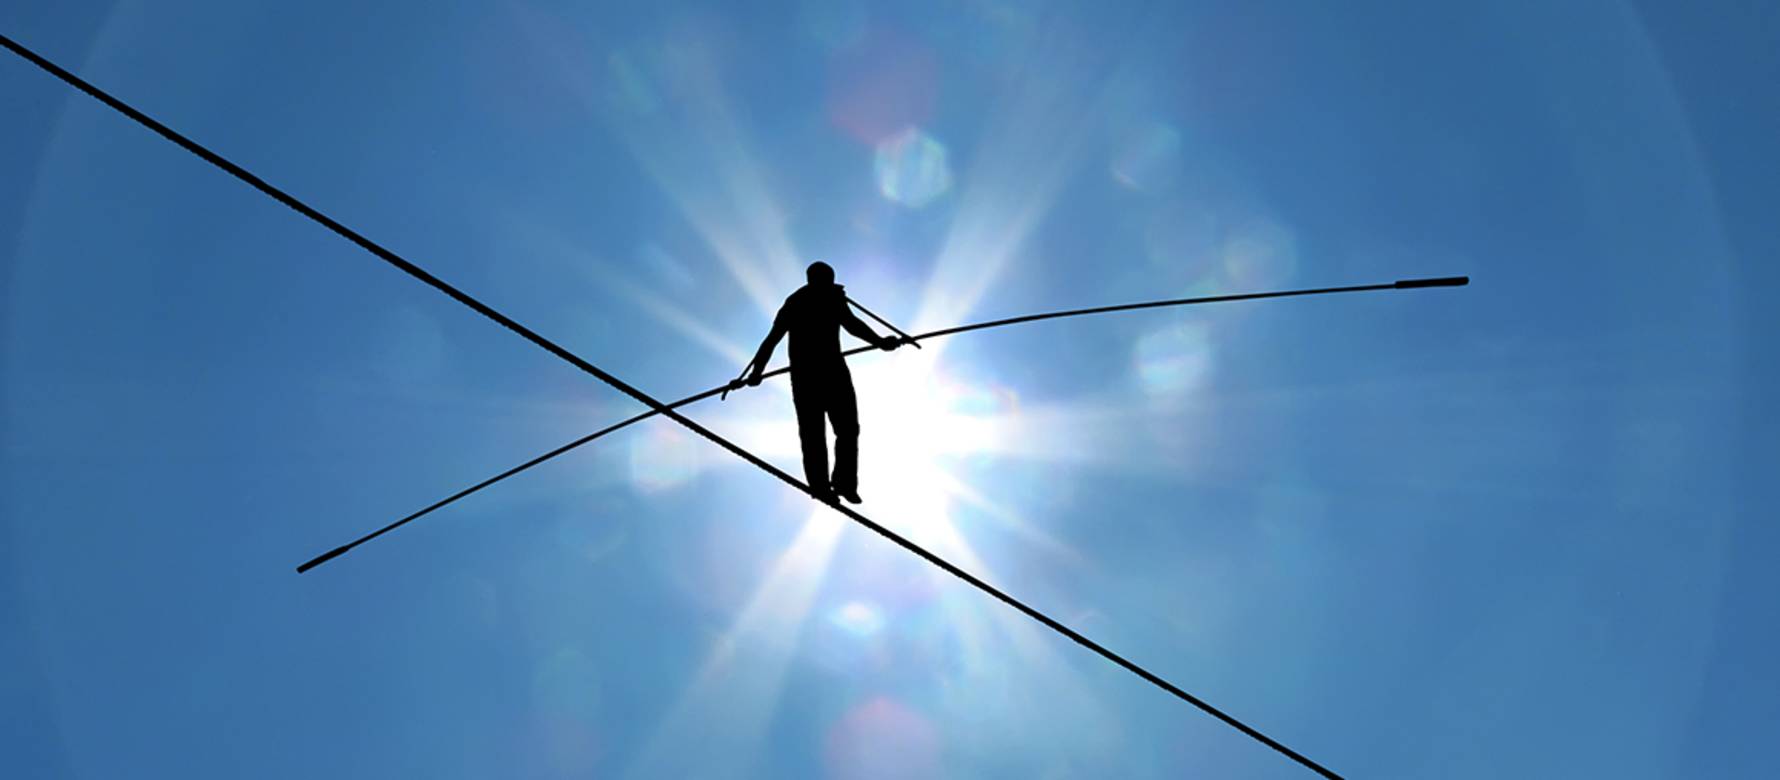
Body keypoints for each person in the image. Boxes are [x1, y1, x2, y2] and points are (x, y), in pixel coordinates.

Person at [734, 261, 908, 504]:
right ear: (813, 279)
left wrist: (880, 342)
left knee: (847, 429)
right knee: (814, 431)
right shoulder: (797, 302)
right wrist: (756, 372)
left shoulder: (831, 298)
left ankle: (843, 483)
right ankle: (822, 486)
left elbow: (853, 326)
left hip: (832, 370)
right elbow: (772, 339)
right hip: (808, 375)